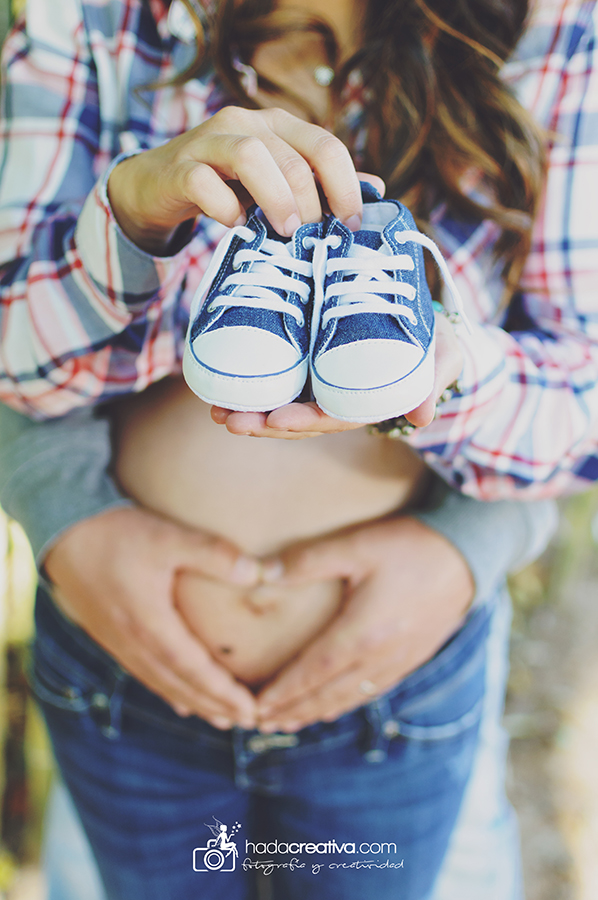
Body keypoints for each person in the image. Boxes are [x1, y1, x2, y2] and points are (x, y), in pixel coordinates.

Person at [0, 0, 596, 897]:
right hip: (119, 664)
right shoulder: (87, 15)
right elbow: (12, 365)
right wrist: (133, 213)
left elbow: (584, 395)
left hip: (404, 679)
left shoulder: (565, 30)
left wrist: (454, 380)